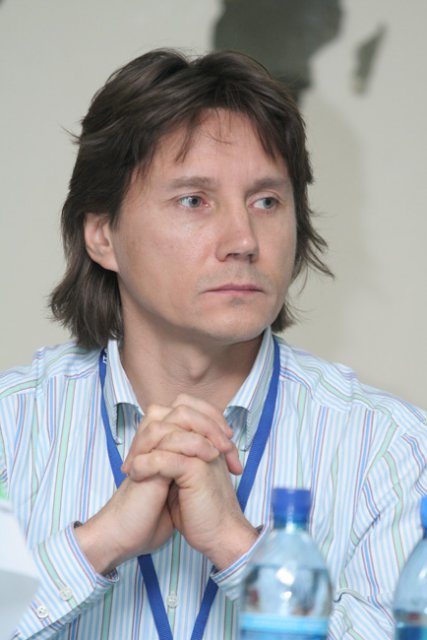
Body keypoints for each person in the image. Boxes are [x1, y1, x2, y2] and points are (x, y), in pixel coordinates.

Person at [1, 48, 426, 640]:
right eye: (194, 200)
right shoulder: (11, 430)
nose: (243, 240)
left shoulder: (391, 451)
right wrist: (97, 545)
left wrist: (240, 548)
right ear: (102, 235)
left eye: (266, 201)